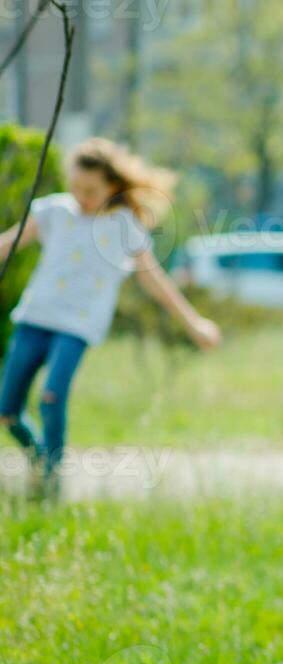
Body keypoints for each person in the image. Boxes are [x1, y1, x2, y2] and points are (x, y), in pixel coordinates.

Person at [0, 137, 220, 499]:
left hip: (77, 326)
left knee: (52, 396)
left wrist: (194, 322)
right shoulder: (53, 211)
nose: (80, 197)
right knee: (8, 413)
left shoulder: (124, 225)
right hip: (35, 318)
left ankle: (52, 482)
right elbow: (9, 243)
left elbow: (152, 277)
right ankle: (39, 460)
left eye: (90, 190)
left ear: (113, 188)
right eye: (74, 187)